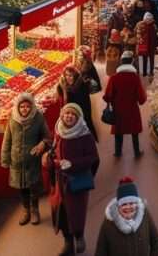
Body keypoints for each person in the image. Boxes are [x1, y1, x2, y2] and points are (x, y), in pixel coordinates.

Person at [48, 103, 100, 256]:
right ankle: (68, 243)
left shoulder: (85, 135)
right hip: (59, 182)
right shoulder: (58, 132)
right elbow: (53, 150)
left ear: (78, 118)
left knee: (76, 213)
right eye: (66, 114)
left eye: (73, 114)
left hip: (76, 182)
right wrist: (48, 160)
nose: (68, 116)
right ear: (62, 115)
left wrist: (73, 164)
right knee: (61, 213)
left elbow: (93, 158)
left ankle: (79, 235)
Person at [1, 92, 52, 226]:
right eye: (22, 106)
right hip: (16, 161)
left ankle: (35, 210)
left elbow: (48, 136)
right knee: (21, 187)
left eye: (27, 106)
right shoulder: (12, 119)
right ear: (18, 107)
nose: (25, 109)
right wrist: (5, 159)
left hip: (32, 160)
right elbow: (7, 140)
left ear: (32, 107)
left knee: (33, 186)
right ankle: (26, 210)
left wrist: (43, 143)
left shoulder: (38, 118)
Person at [94, 177, 158, 256]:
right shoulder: (108, 223)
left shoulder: (145, 215)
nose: (128, 207)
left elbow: (156, 241)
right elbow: (100, 251)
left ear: (136, 203)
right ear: (118, 206)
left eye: (131, 203)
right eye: (124, 204)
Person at [103, 57, 146, 158]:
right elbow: (141, 96)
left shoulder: (114, 77)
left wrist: (110, 101)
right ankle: (137, 152)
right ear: (131, 63)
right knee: (134, 131)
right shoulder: (135, 77)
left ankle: (118, 152)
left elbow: (107, 95)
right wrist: (142, 100)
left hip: (118, 109)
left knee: (119, 130)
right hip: (132, 109)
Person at [57, 59, 102, 142]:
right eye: (66, 75)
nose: (68, 78)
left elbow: (82, 103)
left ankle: (92, 140)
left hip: (83, 108)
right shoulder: (62, 86)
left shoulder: (81, 85)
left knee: (86, 123)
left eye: (70, 76)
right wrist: (64, 91)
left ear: (75, 76)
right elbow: (62, 102)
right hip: (70, 111)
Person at [136, 12, 158, 77]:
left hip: (151, 45)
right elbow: (137, 33)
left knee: (150, 59)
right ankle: (144, 72)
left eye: (149, 20)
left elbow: (155, 36)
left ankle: (150, 72)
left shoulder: (153, 26)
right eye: (147, 20)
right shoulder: (140, 24)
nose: (148, 21)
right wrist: (139, 38)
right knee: (144, 58)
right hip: (143, 45)